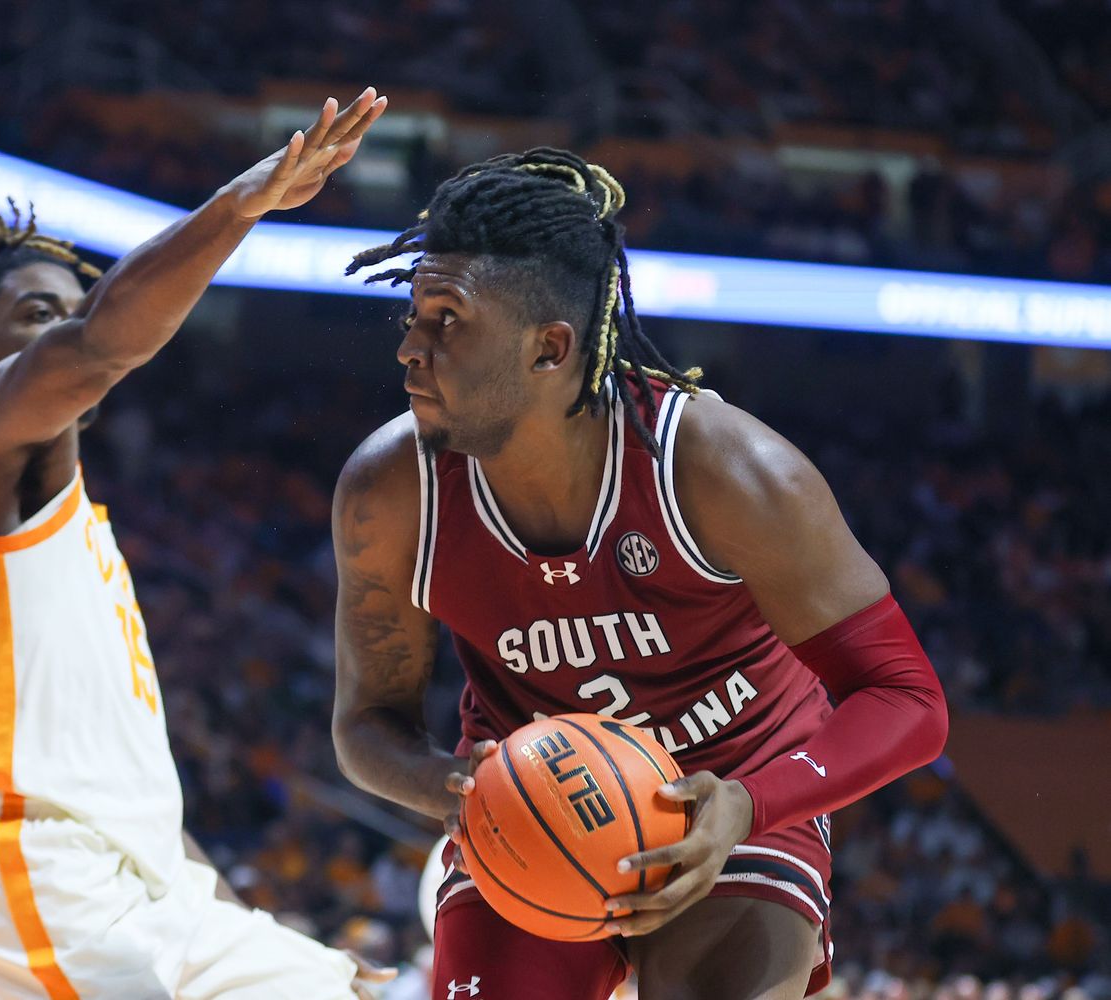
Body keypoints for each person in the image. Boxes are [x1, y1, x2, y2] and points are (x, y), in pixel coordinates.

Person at [331, 148, 950, 1000]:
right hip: (534, 807)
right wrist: (456, 786)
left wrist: (753, 802)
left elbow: (908, 700)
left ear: (550, 348)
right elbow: (367, 723)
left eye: (447, 321)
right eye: (413, 317)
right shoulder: (391, 491)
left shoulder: (727, 470)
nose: (410, 347)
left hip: (733, 796)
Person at [0, 89, 392, 999]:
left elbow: (139, 806)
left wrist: (262, 939)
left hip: (154, 885)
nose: (62, 328)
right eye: (37, 314)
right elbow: (98, 344)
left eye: (71, 308)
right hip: (40, 871)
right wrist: (239, 206)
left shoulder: (80, 532)